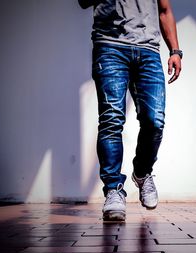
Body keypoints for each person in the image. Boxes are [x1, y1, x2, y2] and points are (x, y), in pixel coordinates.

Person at [78, 0, 182, 221]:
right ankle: (113, 190)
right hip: (110, 46)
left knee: (154, 121)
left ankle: (142, 173)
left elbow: (165, 10)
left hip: (148, 50)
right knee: (111, 120)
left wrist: (175, 50)